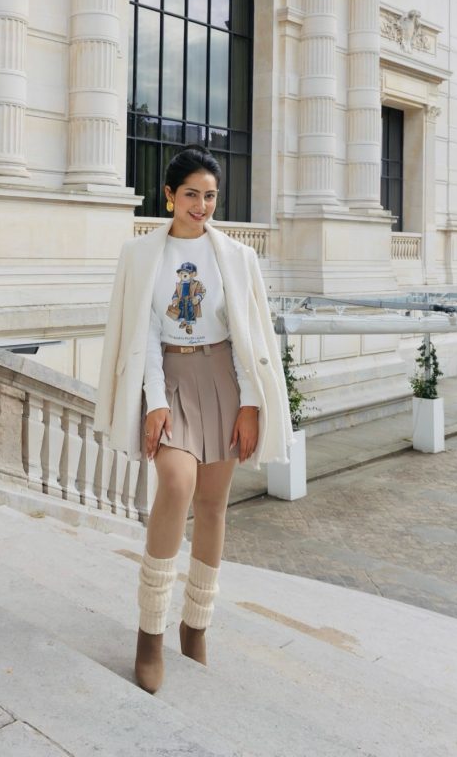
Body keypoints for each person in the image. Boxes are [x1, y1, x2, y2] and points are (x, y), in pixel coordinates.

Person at [94, 147, 292, 693]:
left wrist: (250, 403)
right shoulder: (140, 257)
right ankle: (150, 633)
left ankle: (196, 624)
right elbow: (144, 335)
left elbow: (248, 338)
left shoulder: (238, 257)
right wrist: (154, 401)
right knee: (177, 484)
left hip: (224, 379)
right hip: (170, 378)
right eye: (190, 195)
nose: (201, 205)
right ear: (169, 196)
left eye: (209, 195)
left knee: (212, 505)